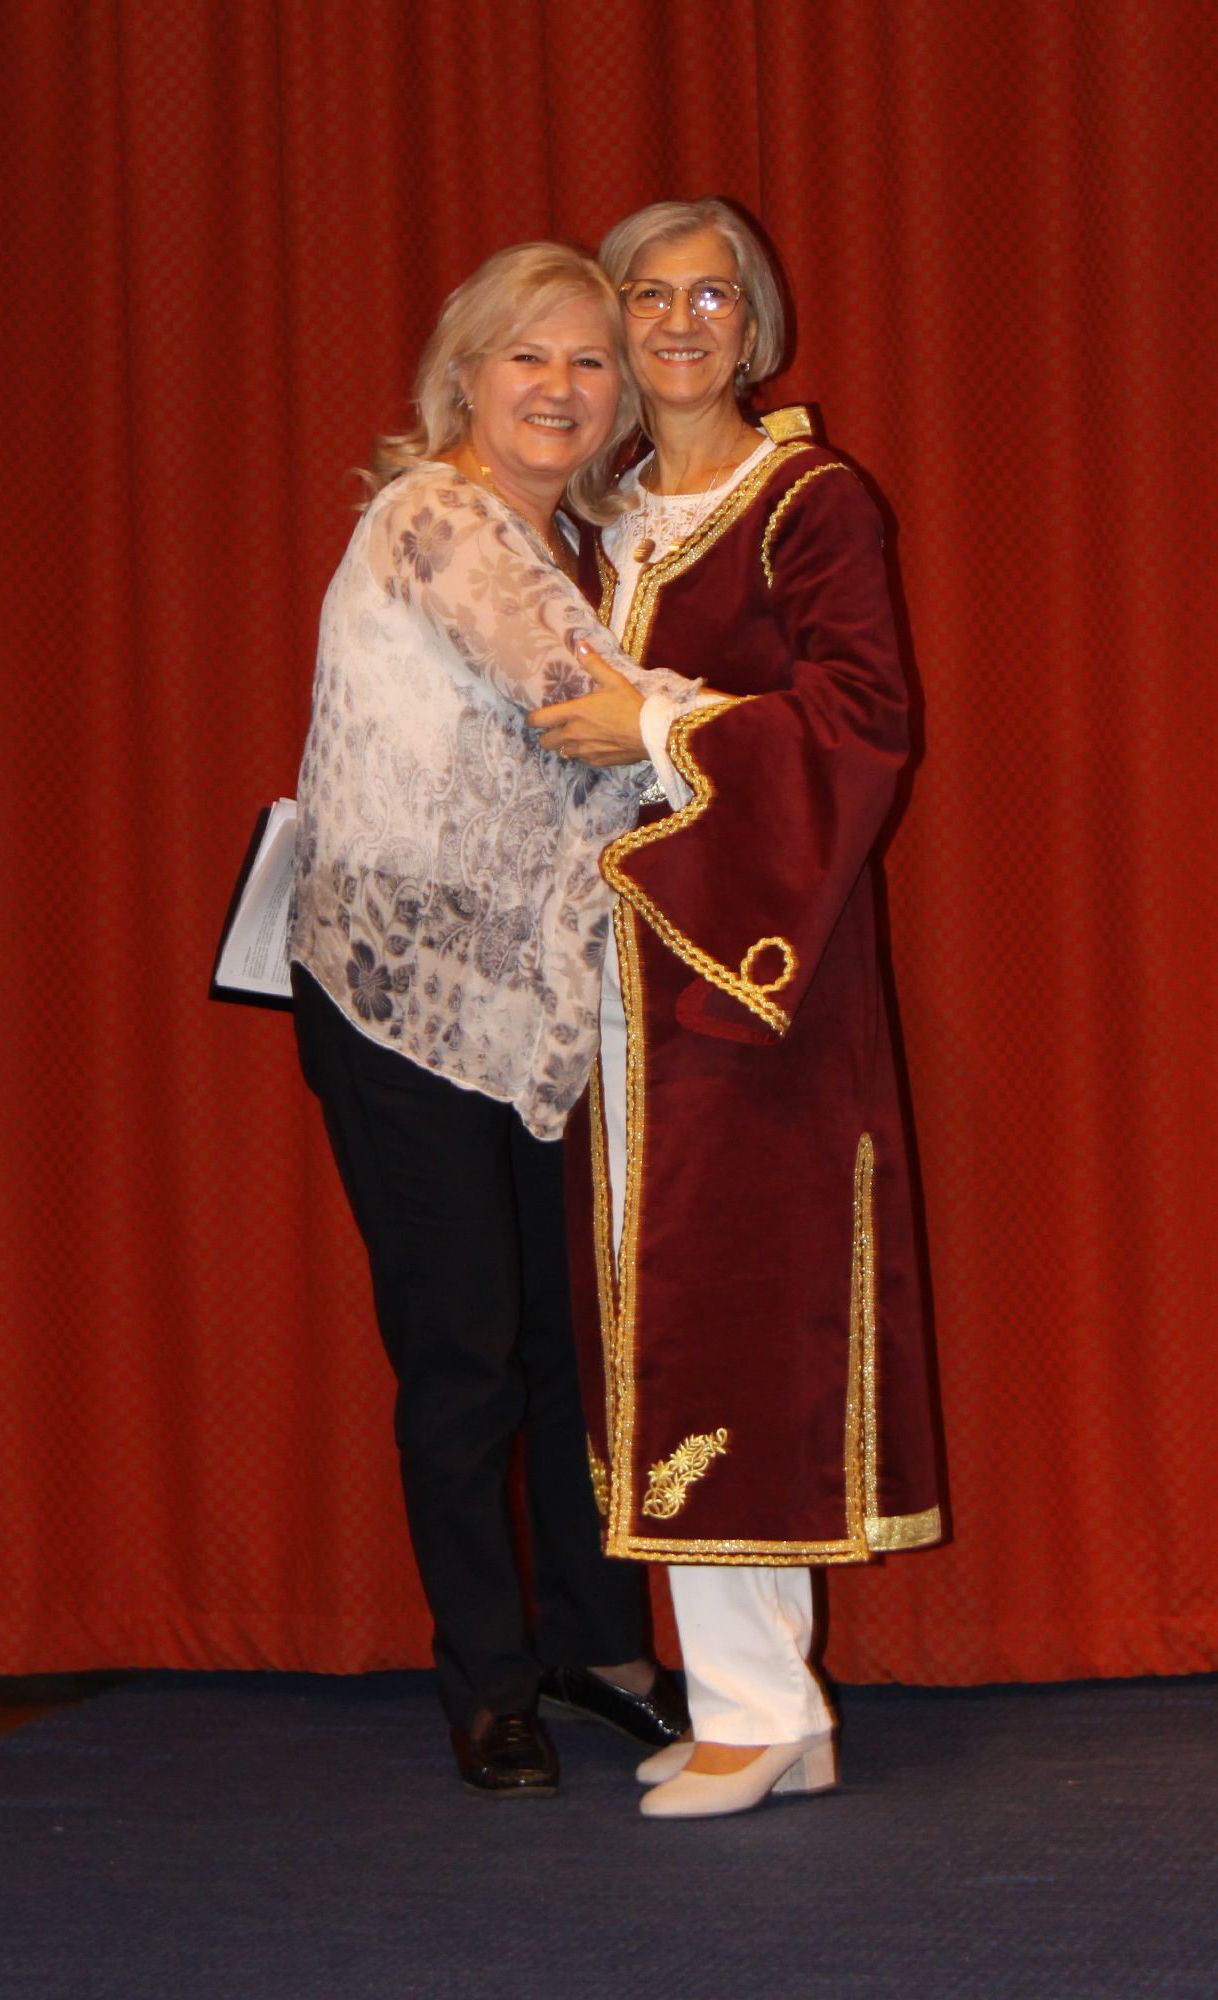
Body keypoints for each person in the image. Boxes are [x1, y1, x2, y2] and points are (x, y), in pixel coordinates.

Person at [528, 199, 942, 1819]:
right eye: (650, 295)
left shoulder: (804, 502)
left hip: (748, 981)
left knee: (739, 1314)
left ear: (753, 323)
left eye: (712, 296)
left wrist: (657, 724)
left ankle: (756, 1708)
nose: (680, 322)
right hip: (620, 983)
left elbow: (861, 718)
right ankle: (771, 1706)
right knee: (659, 1313)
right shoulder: (602, 512)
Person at [288, 242, 696, 1799]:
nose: (561, 387)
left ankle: (599, 1656)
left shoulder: (565, 543)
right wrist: (763, 725)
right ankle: (488, 1683)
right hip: (401, 1002)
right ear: (463, 374)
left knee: (564, 1349)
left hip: (535, 1008)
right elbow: (576, 699)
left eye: (590, 362)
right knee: (464, 1352)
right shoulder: (442, 518)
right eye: (530, 355)